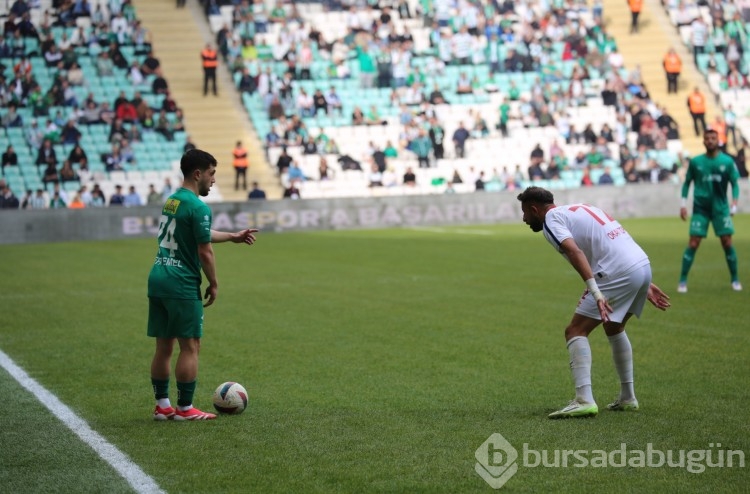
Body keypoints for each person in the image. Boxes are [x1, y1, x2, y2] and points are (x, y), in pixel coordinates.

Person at [516, 186, 671, 419]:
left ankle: (584, 400)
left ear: (534, 209)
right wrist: (643, 280)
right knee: (614, 326)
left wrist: (596, 293)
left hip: (618, 272)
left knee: (575, 330)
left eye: (525, 213)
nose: (524, 219)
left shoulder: (550, 220)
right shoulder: (582, 209)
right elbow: (611, 241)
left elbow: (575, 252)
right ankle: (628, 398)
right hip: (640, 264)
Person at [148, 149, 258, 421]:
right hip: (182, 283)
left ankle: (163, 405)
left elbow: (195, 232)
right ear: (197, 174)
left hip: (159, 277)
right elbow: (204, 250)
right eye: (211, 174)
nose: (213, 180)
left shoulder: (172, 201)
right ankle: (184, 408)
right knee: (191, 346)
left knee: (164, 346)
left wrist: (232, 236)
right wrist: (214, 283)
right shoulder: (199, 206)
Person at [678, 129, 741, 293]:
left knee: (727, 242)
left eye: (713, 138)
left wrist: (734, 202)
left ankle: (735, 279)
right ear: (704, 141)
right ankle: (683, 280)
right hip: (701, 209)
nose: (710, 141)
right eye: (707, 138)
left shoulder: (727, 162)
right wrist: (683, 204)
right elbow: (687, 183)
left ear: (718, 140)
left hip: (721, 209)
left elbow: (734, 183)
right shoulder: (696, 162)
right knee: (693, 242)